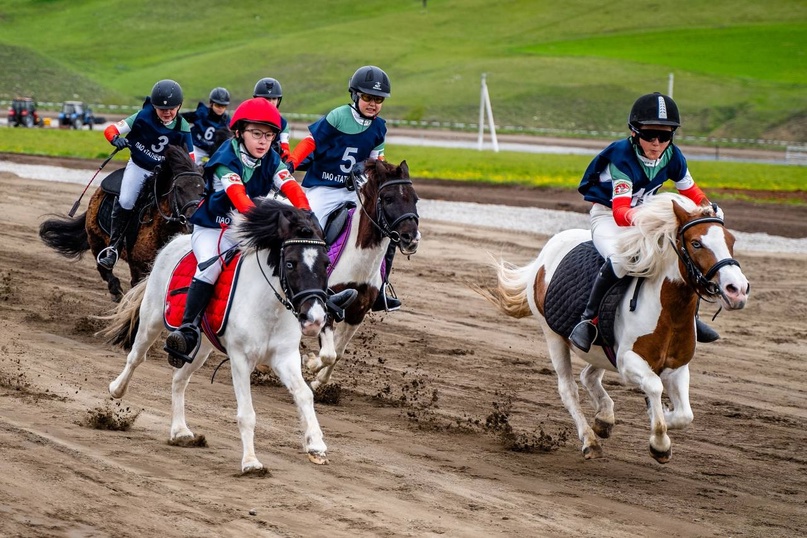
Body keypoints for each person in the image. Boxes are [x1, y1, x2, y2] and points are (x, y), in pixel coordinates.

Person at [570, 92, 722, 353]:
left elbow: (693, 192)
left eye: (664, 136)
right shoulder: (622, 156)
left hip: (644, 214)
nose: (656, 143)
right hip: (609, 217)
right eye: (649, 135)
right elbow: (620, 213)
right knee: (619, 260)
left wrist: (710, 210)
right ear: (634, 132)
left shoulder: (672, 156)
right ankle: (588, 320)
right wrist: (654, 220)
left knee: (683, 257)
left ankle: (692, 317)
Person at [163, 97, 311, 366]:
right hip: (214, 226)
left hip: (245, 224)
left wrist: (306, 212)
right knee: (210, 267)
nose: (263, 141)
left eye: (269, 135)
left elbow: (291, 186)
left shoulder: (271, 158)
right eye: (256, 134)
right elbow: (240, 200)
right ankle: (188, 328)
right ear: (240, 132)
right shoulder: (224, 159)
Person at [286, 65, 400, 312]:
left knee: (384, 230)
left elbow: (376, 163)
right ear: (355, 95)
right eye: (367, 97)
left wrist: (367, 171)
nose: (372, 103)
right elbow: (310, 142)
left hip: (354, 190)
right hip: (324, 188)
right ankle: (310, 282)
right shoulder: (338, 115)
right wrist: (293, 162)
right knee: (310, 225)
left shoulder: (380, 127)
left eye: (378, 99)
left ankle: (380, 287)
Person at [98, 79, 193, 270]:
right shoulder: (142, 115)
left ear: (180, 106)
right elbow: (111, 130)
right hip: (139, 167)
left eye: (171, 109)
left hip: (163, 174)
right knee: (125, 201)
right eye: (161, 109)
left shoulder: (183, 128)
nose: (167, 113)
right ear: (154, 107)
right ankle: (113, 248)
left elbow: (191, 159)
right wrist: (115, 139)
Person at [181, 87, 231, 164]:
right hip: (196, 146)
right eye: (218, 105)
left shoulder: (226, 121)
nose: (220, 108)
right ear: (211, 104)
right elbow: (184, 117)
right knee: (190, 164)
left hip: (211, 151)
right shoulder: (202, 113)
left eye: (223, 106)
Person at [253, 77, 291, 161]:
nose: (270, 102)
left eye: (274, 98)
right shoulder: (247, 119)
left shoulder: (283, 123)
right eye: (266, 98)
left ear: (278, 100)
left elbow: (285, 149)